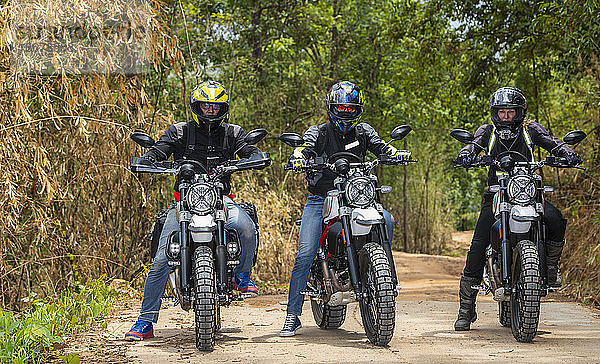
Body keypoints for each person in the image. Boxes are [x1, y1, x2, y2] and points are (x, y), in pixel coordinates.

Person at [125, 81, 263, 340]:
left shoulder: (232, 132)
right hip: (184, 203)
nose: (210, 111)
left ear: (223, 109)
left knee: (245, 226)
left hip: (220, 199)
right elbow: (159, 151)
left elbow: (247, 149)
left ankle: (243, 275)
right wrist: (148, 161)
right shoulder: (180, 132)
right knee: (160, 261)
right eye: (205, 106)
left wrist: (254, 156)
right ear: (195, 107)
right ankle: (145, 321)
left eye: (215, 107)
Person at [279, 81, 408, 337]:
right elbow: (305, 146)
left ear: (357, 110)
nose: (345, 111)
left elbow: (381, 146)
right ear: (331, 107)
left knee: (388, 220)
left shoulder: (363, 131)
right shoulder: (319, 132)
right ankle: (292, 316)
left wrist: (394, 152)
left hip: (356, 195)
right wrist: (299, 157)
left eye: (350, 108)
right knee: (305, 253)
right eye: (340, 107)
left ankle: (380, 277)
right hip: (321, 198)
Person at [453, 87, 582, 331]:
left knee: (556, 220)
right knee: (479, 243)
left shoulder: (531, 130)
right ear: (495, 113)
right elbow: (474, 145)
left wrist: (567, 152)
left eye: (510, 112)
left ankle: (551, 267)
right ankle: (466, 308)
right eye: (502, 112)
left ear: (519, 113)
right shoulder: (488, 132)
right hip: (497, 196)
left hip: (529, 193)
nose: (506, 117)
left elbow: (551, 143)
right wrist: (467, 154)